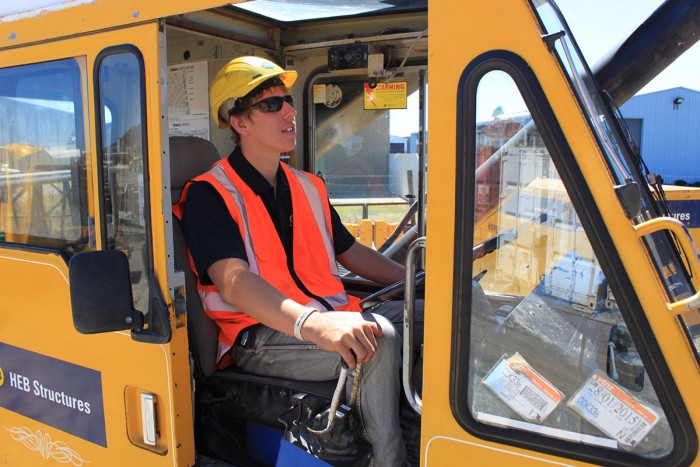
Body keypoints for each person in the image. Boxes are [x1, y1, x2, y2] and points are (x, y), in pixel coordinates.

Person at [174, 56, 419, 466]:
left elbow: (352, 253)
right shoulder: (209, 194)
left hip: (329, 313)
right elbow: (232, 282)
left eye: (288, 101)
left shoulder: (307, 185)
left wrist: (418, 279)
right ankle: (389, 459)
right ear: (239, 122)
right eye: (271, 105)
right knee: (377, 341)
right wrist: (312, 323)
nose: (289, 111)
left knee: (434, 314)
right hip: (261, 335)